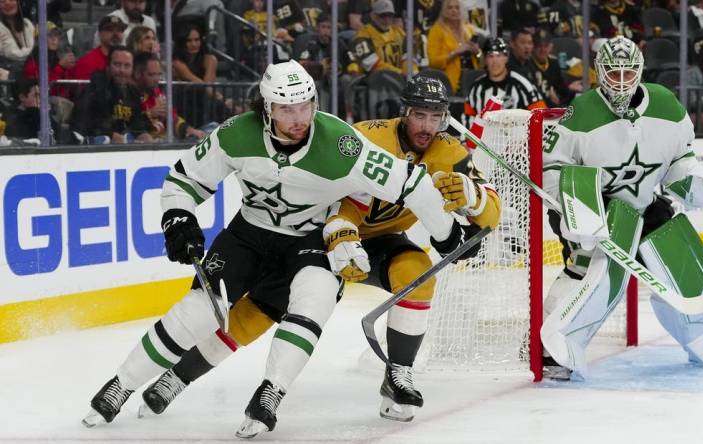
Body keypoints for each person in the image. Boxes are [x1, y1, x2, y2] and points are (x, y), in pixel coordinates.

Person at [82, 61, 469, 437]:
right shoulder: (236, 133)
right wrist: (178, 217)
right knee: (198, 312)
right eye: (287, 109)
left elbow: (412, 184)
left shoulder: (341, 144)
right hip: (248, 235)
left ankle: (271, 393)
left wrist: (447, 234)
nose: (299, 118)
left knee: (313, 301)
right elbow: (185, 179)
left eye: (305, 106)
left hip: (309, 241)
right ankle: (121, 384)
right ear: (267, 108)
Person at [540, 36, 703, 381]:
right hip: (592, 205)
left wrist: (698, 182)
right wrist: (579, 211)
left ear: (639, 71)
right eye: (613, 73)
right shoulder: (580, 112)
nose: (621, 81)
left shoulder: (666, 105)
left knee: (682, 256)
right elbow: (551, 169)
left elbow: (679, 159)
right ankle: (554, 350)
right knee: (590, 271)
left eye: (628, 73)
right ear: (599, 72)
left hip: (646, 202)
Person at [73, 45, 154, 144]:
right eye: (117, 64)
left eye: (127, 66)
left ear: (133, 69)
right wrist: (111, 135)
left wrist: (144, 136)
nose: (122, 70)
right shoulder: (96, 88)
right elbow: (85, 123)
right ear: (108, 66)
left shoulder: (133, 92)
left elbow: (137, 124)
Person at [463, 37, 545, 128]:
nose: (495, 61)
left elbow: (542, 116)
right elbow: (467, 120)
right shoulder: (476, 88)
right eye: (490, 56)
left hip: (518, 140)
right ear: (485, 60)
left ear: (506, 58)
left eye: (498, 55)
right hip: (483, 141)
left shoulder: (523, 85)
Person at [134, 52, 205, 141]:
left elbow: (173, 117)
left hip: (166, 140)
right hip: (146, 145)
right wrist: (149, 113)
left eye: (159, 74)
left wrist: (189, 130)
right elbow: (129, 125)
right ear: (137, 74)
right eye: (151, 75)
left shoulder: (156, 92)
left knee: (210, 129)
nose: (157, 79)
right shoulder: (131, 95)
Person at [426, 0, 481, 93]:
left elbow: (481, 58)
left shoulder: (469, 30)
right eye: (450, 7)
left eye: (457, 8)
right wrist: (455, 53)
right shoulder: (436, 31)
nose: (454, 10)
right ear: (444, 10)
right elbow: (433, 62)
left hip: (472, 80)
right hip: (449, 83)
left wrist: (477, 52)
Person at [349, 0, 408, 75]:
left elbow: (408, 58)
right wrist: (400, 73)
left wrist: (409, 72)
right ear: (373, 16)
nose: (386, 20)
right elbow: (373, 65)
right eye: (382, 16)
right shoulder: (361, 37)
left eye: (389, 15)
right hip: (372, 82)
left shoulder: (400, 33)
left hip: (400, 80)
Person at [72, 15, 126, 81]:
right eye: (110, 30)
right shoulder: (88, 62)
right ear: (100, 34)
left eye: (119, 30)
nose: (115, 34)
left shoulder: (128, 60)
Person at [0, 0, 34, 69]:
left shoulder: (27, 23)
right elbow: (11, 54)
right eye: (2, 1)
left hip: (29, 73)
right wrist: (32, 53)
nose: (8, 3)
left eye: (11, 0)